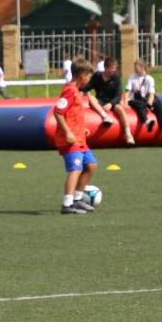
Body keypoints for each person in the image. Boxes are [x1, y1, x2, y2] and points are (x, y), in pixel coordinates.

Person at [53, 59, 107, 214]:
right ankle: (67, 205)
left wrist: (82, 128)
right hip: (69, 139)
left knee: (91, 165)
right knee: (76, 169)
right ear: (82, 76)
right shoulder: (70, 91)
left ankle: (77, 199)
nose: (89, 80)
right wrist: (68, 132)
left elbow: (72, 114)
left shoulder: (76, 90)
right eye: (89, 77)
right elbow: (58, 112)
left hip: (79, 137)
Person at [89, 57, 133, 146]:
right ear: (106, 67)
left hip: (113, 101)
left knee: (120, 109)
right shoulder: (97, 76)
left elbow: (118, 95)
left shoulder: (116, 78)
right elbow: (86, 87)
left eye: (115, 67)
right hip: (100, 100)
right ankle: (105, 117)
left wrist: (111, 104)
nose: (114, 70)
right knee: (91, 98)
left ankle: (129, 135)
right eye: (112, 68)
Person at [127, 60, 162, 137]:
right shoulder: (132, 78)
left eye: (136, 67)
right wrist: (126, 104)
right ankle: (147, 122)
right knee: (140, 104)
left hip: (146, 100)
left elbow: (151, 94)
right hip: (135, 100)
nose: (134, 68)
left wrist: (149, 104)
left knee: (160, 106)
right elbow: (127, 92)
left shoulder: (150, 78)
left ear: (142, 67)